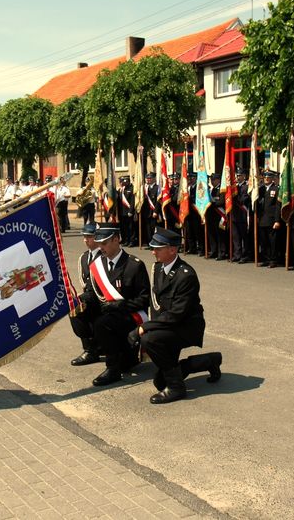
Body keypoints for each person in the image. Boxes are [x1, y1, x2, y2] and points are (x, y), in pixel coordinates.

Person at [129, 227, 221, 404]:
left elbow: (176, 315)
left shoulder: (186, 275)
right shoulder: (157, 267)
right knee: (159, 381)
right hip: (169, 325)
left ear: (172, 249)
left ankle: (177, 388)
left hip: (186, 326)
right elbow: (157, 306)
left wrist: (145, 327)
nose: (153, 252)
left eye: (158, 248)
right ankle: (210, 360)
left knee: (150, 340)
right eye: (153, 247)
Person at [79, 224, 150, 386]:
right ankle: (92, 350)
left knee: (103, 324)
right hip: (108, 312)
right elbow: (92, 292)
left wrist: (120, 305)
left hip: (130, 315)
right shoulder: (97, 265)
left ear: (116, 240)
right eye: (99, 243)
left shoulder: (134, 265)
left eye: (104, 243)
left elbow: (144, 299)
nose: (101, 247)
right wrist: (79, 301)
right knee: (79, 311)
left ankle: (113, 368)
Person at [68, 223, 103, 366]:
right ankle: (89, 346)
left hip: (102, 296)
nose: (86, 240)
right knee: (74, 306)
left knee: (78, 304)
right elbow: (84, 282)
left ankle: (92, 349)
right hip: (89, 295)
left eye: (89, 236)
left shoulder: (104, 256)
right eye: (84, 236)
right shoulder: (83, 257)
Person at [257, 170, 281, 268]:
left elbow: (278, 206)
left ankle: (273, 260)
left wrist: (277, 220)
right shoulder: (260, 189)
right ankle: (265, 259)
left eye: (268, 177)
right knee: (264, 241)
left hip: (271, 220)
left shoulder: (276, 189)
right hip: (262, 219)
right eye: (265, 177)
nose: (266, 179)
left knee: (273, 242)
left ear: (272, 178)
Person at [206, 173, 228, 260]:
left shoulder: (221, 189)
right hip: (211, 215)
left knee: (220, 235)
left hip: (219, 215)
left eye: (214, 180)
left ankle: (221, 253)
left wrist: (212, 203)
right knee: (212, 234)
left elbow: (221, 201)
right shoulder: (211, 190)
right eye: (211, 180)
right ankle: (214, 251)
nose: (212, 181)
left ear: (218, 180)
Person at [140, 172, 159, 247]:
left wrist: (156, 211)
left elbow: (158, 201)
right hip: (146, 212)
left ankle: (155, 243)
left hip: (153, 212)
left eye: (150, 178)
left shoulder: (157, 188)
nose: (148, 180)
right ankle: (149, 243)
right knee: (147, 228)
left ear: (154, 179)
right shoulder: (144, 188)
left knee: (154, 228)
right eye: (147, 178)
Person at [117, 176, 136, 245]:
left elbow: (132, 201)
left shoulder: (131, 189)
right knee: (123, 227)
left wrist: (131, 211)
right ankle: (125, 240)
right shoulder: (120, 190)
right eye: (121, 182)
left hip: (128, 212)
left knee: (130, 227)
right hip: (122, 212)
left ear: (127, 182)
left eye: (123, 182)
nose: (121, 183)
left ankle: (131, 241)